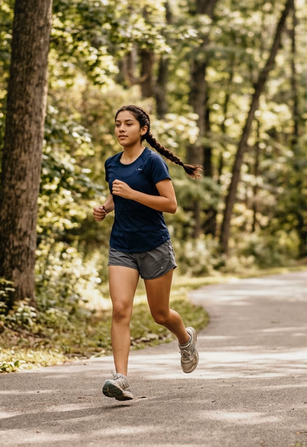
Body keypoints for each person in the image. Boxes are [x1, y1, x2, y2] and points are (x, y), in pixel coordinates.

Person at [92, 105, 202, 401]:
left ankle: (186, 338)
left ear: (143, 130)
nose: (121, 129)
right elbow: (117, 193)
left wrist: (132, 194)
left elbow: (170, 204)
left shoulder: (153, 162)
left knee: (160, 314)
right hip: (122, 247)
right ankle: (121, 378)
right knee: (120, 309)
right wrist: (105, 207)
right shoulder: (112, 163)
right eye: (117, 124)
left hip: (154, 245)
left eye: (128, 124)